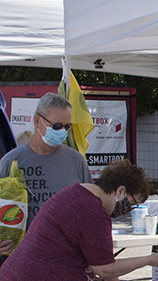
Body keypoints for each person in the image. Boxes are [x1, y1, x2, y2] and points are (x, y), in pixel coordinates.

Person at [0, 159, 158, 281]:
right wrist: (149, 260)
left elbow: (95, 252)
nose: (129, 209)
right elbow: (105, 268)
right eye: (133, 203)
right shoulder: (94, 212)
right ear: (120, 191)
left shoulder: (75, 192)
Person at [0, 93, 93, 241]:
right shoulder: (10, 161)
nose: (62, 131)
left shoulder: (76, 161)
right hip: (22, 255)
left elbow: (89, 207)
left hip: (64, 252)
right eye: (56, 126)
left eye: (66, 126)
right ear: (37, 121)